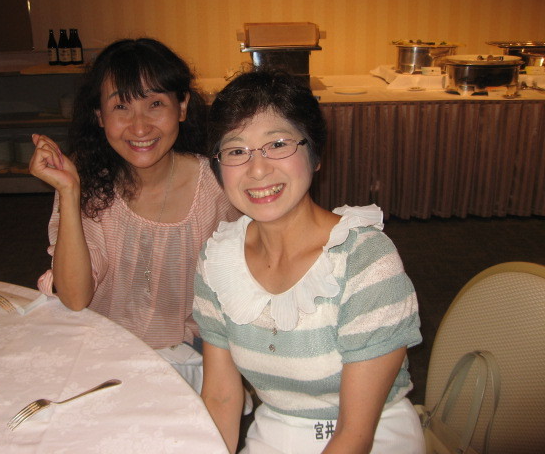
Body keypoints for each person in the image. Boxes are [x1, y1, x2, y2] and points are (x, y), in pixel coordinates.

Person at [193, 70, 424, 453]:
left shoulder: (364, 259)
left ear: (315, 155)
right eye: (236, 151)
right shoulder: (217, 261)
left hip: (372, 435)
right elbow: (220, 397)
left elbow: (355, 435)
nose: (258, 169)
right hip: (275, 430)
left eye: (277, 144)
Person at [30, 38, 240, 391]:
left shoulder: (219, 185)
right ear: (100, 116)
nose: (139, 127)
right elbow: (75, 297)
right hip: (100, 346)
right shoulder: (88, 183)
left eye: (155, 104)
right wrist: (68, 192)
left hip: (187, 353)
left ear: (182, 106)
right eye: (121, 107)